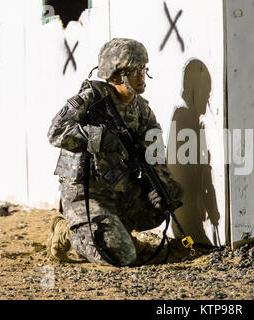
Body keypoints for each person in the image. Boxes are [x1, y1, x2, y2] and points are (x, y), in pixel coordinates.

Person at [46, 38, 183, 266]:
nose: (141, 76)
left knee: (168, 196)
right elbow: (55, 132)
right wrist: (98, 136)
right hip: (85, 194)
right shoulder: (90, 98)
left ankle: (118, 234)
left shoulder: (141, 109)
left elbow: (154, 153)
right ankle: (68, 230)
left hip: (119, 189)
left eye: (143, 69)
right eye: (133, 71)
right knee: (123, 257)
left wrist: (159, 185)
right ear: (116, 75)